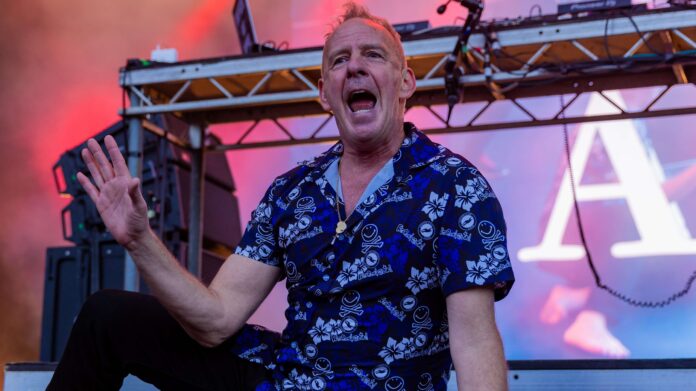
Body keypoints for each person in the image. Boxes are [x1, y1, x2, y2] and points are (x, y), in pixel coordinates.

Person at [47, 3, 514, 390]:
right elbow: (217, 319)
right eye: (338, 60)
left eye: (373, 55)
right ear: (325, 95)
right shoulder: (293, 192)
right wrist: (139, 240)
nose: (354, 66)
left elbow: (473, 342)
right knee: (107, 316)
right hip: (287, 380)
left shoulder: (455, 185)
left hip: (384, 383)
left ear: (406, 83)